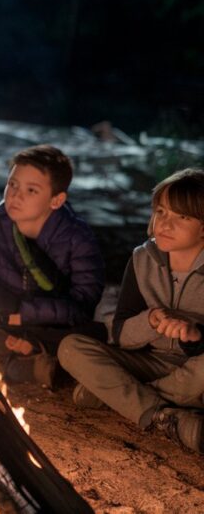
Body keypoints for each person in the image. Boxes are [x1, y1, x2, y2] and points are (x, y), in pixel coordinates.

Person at [59, 168, 204, 453]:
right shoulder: (142, 259)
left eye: (182, 217)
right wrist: (150, 319)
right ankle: (163, 415)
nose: (165, 223)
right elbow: (121, 335)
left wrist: (194, 334)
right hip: (148, 361)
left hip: (195, 372)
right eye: (161, 211)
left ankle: (119, 395)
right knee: (70, 348)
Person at [0, 144, 105, 387]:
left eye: (31, 190)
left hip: (53, 328)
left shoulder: (77, 237)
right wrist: (12, 310)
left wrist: (25, 313)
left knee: (89, 337)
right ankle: (32, 363)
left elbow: (83, 303)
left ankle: (24, 360)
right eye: (13, 184)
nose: (16, 196)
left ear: (56, 200)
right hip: (5, 321)